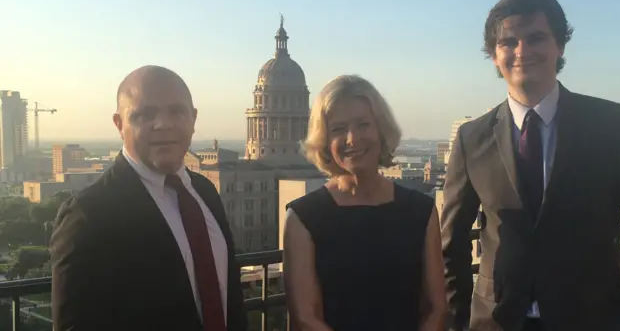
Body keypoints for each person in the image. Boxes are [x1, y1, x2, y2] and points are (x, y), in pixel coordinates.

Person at [440, 0, 620, 331]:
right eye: (509, 42)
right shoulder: (471, 138)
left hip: (595, 320)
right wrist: (459, 322)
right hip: (497, 323)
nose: (522, 52)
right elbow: (451, 246)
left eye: (536, 38)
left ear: (559, 46)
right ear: (494, 54)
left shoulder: (616, 126)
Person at [50, 65, 247, 331]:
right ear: (119, 124)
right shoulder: (89, 215)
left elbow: (229, 296)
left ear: (193, 119)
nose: (163, 124)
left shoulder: (205, 192)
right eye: (145, 114)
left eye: (176, 111)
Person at [283, 75, 446, 331]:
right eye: (338, 129)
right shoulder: (302, 218)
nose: (352, 138)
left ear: (381, 130)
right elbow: (305, 317)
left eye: (363, 124)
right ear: (324, 140)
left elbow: (436, 307)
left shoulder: (421, 211)